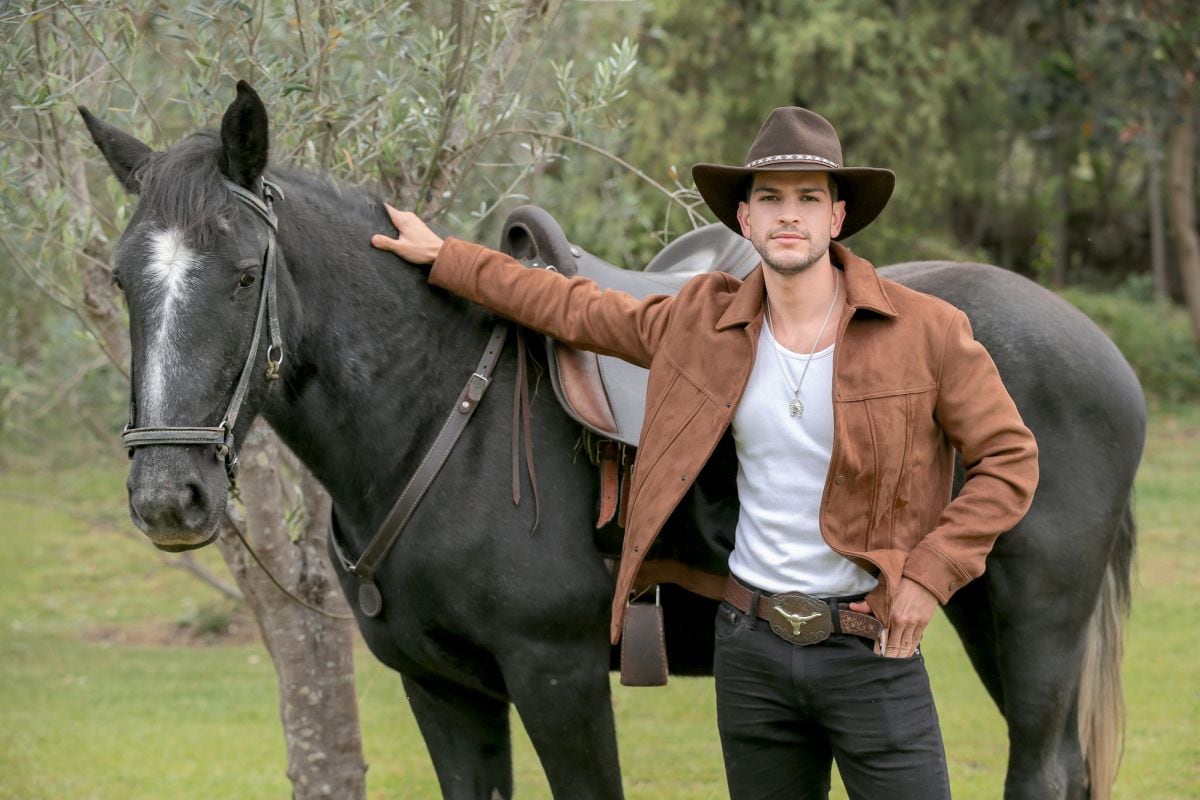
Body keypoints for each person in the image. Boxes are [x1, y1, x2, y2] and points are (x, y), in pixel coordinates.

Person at [370, 107, 1038, 800]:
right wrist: (448, 257)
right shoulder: (703, 322)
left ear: (837, 218)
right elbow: (575, 308)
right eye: (770, 199)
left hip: (868, 648)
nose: (789, 216)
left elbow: (1009, 458)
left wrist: (930, 575)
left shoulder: (925, 329)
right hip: (751, 652)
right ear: (744, 221)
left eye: (809, 198)